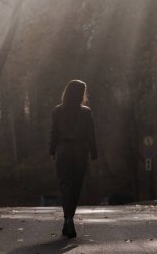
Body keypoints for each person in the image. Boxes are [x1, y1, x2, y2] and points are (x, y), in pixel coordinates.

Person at [49, 79, 98, 238]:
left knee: (65, 185)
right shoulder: (86, 112)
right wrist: (93, 150)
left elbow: (53, 133)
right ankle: (69, 218)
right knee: (76, 185)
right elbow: (91, 134)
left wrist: (52, 150)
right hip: (79, 151)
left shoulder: (57, 111)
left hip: (62, 149)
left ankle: (67, 218)